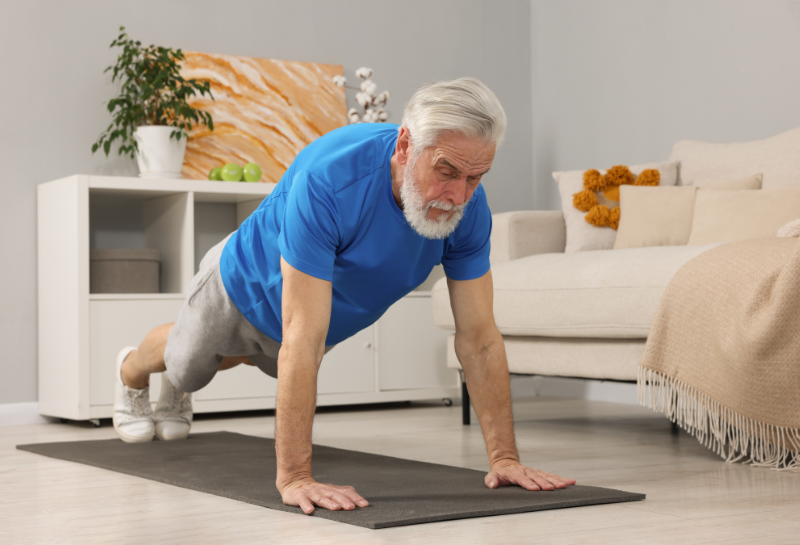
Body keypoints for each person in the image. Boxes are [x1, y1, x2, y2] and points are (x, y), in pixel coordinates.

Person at [112, 77, 576, 514]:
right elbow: (301, 334)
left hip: (310, 321)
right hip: (240, 284)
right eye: (446, 171)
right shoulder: (332, 176)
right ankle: (132, 370)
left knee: (255, 356)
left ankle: (208, 361)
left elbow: (479, 337)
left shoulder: (469, 212)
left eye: (475, 177)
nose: (458, 195)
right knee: (188, 368)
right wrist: (295, 477)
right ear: (404, 145)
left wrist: (505, 457)